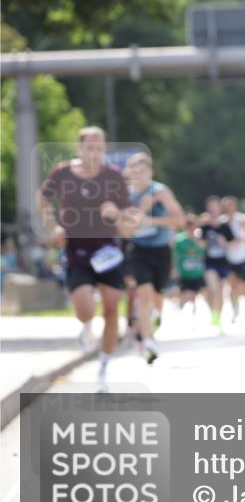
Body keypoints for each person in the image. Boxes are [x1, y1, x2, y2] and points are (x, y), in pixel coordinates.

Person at [36, 126, 137, 391]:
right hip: (75, 249)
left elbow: (129, 219)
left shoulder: (113, 176)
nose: (95, 153)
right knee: (84, 307)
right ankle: (87, 326)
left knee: (113, 308)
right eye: (90, 148)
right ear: (80, 149)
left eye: (100, 148)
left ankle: (103, 367)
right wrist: (53, 226)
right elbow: (43, 199)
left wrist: (115, 213)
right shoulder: (62, 173)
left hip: (107, 251)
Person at [123, 152, 185, 364]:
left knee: (157, 297)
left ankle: (155, 316)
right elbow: (125, 231)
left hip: (160, 250)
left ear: (151, 172)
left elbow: (180, 221)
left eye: (143, 170)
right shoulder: (125, 196)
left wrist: (149, 219)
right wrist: (140, 211)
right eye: (134, 171)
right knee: (143, 293)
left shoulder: (161, 192)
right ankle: (148, 342)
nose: (138, 175)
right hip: (138, 250)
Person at [198, 195, 234, 331]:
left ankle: (217, 316)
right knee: (214, 289)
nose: (213, 210)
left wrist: (224, 242)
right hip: (209, 262)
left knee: (221, 292)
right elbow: (200, 244)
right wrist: (204, 242)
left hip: (223, 262)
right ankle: (213, 313)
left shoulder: (225, 226)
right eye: (211, 207)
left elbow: (232, 243)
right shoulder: (204, 227)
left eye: (216, 207)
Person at [174, 214, 207, 320]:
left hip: (198, 271)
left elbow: (204, 249)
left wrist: (195, 240)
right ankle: (187, 308)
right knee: (188, 293)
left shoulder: (198, 239)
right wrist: (174, 268)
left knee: (197, 293)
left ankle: (194, 312)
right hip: (184, 272)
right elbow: (174, 255)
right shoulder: (179, 240)